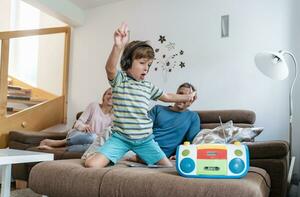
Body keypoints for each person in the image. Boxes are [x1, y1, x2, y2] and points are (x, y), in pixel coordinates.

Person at [85, 23, 196, 168]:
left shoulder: (148, 86)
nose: (146, 68)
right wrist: (118, 47)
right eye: (142, 63)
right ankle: (95, 153)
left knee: (168, 167)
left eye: (149, 65)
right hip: (120, 138)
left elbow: (167, 97)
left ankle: (140, 157)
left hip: (145, 140)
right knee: (91, 165)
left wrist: (187, 98)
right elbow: (110, 68)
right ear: (128, 62)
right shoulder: (120, 80)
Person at [127, 82, 200, 162]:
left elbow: (191, 141)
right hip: (143, 146)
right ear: (175, 96)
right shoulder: (158, 109)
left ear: (191, 101)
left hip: (160, 155)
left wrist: (179, 154)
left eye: (187, 96)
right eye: (180, 94)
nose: (183, 98)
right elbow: (141, 127)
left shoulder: (193, 117)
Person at [38, 88, 113, 152]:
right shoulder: (94, 106)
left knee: (95, 147)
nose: (111, 97)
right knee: (93, 138)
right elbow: (78, 123)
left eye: (114, 95)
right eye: (109, 94)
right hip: (79, 134)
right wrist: (83, 127)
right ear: (104, 96)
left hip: (94, 141)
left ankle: (54, 149)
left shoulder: (114, 117)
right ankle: (59, 142)